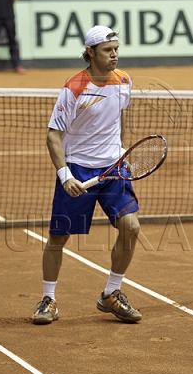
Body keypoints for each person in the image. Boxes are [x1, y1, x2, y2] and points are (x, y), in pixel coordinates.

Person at [32, 25, 142, 325]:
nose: (115, 55)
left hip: (112, 169)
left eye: (117, 49)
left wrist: (122, 153)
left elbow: (119, 121)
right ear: (90, 52)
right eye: (108, 50)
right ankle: (48, 299)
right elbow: (53, 136)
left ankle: (111, 293)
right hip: (78, 168)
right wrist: (66, 175)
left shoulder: (124, 81)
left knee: (131, 227)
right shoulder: (74, 88)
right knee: (58, 237)